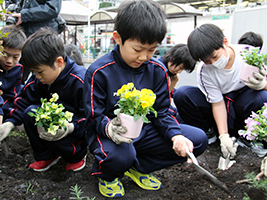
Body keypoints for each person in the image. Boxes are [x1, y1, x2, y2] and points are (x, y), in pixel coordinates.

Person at [83, 0, 208, 198]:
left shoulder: (157, 70)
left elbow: (162, 112)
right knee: (119, 155)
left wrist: (176, 135)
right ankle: (107, 175)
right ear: (117, 38)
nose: (144, 57)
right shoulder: (99, 71)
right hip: (110, 133)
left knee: (196, 140)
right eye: (138, 49)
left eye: (152, 50)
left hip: (143, 130)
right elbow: (93, 116)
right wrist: (109, 128)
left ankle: (139, 167)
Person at [0, 28, 87, 172]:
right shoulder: (40, 79)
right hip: (54, 126)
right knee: (30, 112)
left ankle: (76, 155)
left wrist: (71, 127)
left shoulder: (81, 81)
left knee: (58, 122)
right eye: (33, 72)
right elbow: (24, 100)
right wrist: (9, 123)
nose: (37, 76)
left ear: (58, 62)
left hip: (74, 130)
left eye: (39, 72)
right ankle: (46, 155)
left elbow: (91, 118)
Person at [173, 24, 267, 159]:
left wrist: (263, 84)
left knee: (262, 96)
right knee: (183, 94)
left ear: (225, 42)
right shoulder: (204, 71)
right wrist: (224, 135)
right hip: (220, 104)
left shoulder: (248, 54)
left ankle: (248, 137)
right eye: (207, 61)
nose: (213, 63)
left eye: (214, 56)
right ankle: (209, 133)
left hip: (244, 100)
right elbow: (217, 103)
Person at [7, 0, 63, 84]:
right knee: (18, 76)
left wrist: (25, 15)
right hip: (22, 35)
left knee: (43, 74)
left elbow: (52, 9)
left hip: (42, 39)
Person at [0, 25, 26, 120]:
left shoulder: (18, 69)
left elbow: (12, 95)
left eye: (15, 57)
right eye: (5, 55)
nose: (9, 61)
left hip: (4, 107)